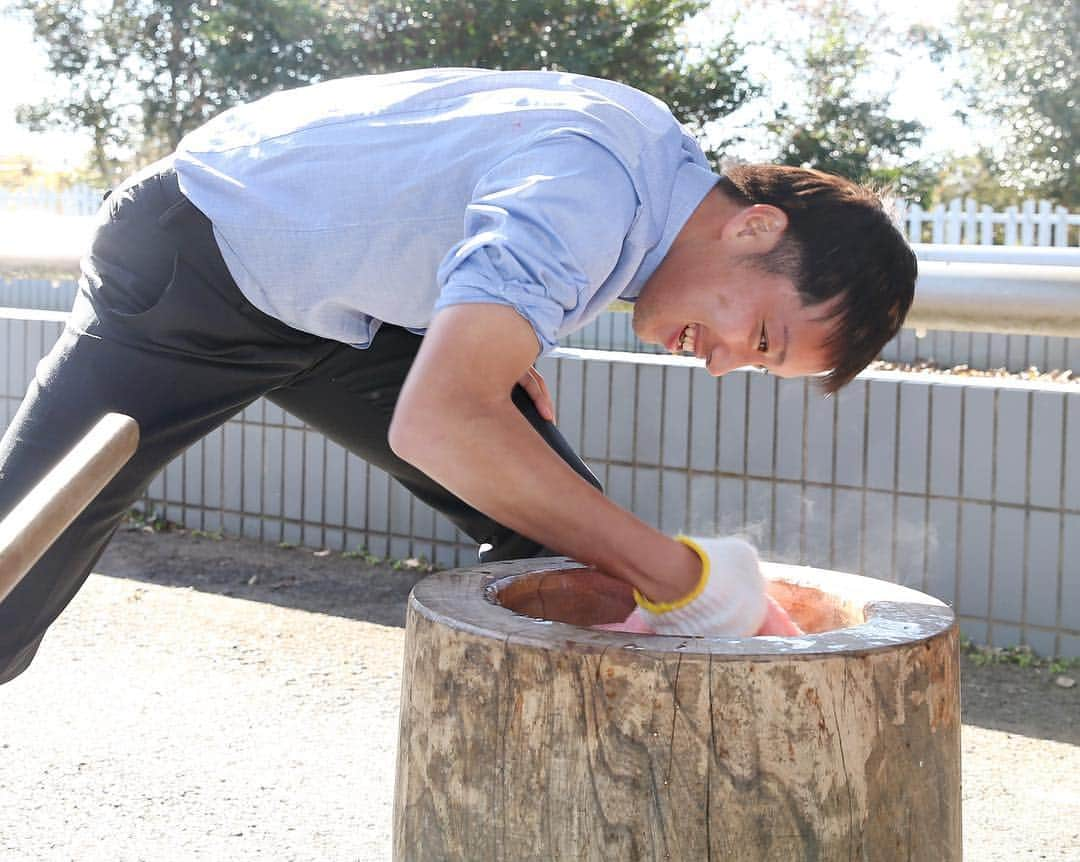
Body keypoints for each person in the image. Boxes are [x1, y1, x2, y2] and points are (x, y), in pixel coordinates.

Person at [0, 68, 915, 683]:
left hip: (341, 311)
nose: (720, 364)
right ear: (756, 228)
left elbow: (447, 203)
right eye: (757, 336)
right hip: (198, 264)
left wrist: (485, 348)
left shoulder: (642, 172)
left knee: (548, 544)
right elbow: (439, 421)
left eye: (757, 368)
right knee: (17, 558)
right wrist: (682, 572)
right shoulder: (598, 182)